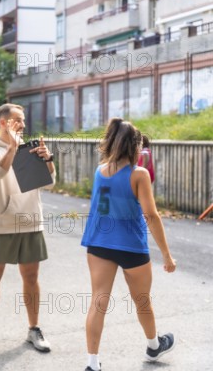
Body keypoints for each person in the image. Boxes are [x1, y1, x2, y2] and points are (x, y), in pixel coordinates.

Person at [81, 118, 176, 371]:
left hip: (99, 244)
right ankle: (154, 346)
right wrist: (167, 255)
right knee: (142, 300)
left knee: (98, 301)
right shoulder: (139, 174)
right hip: (131, 246)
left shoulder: (100, 171)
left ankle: (92, 363)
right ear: (135, 146)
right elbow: (151, 216)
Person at [0, 103, 56, 356]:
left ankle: (34, 329)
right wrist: (11, 148)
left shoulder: (30, 148)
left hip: (31, 220)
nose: (23, 124)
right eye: (18, 120)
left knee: (31, 277)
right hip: (1, 223)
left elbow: (50, 183)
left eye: (23, 120)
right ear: (3, 122)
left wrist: (48, 161)